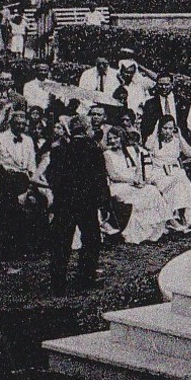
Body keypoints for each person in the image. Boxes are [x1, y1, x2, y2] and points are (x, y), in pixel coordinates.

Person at [43, 117, 110, 295]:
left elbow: (51, 176)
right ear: (87, 130)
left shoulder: (59, 150)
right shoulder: (94, 150)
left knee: (61, 242)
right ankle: (85, 277)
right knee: (91, 240)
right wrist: (103, 203)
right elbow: (100, 180)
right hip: (86, 204)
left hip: (64, 203)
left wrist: (60, 194)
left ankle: (58, 282)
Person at [102, 128, 172, 244]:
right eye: (110, 139)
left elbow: (138, 170)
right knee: (144, 194)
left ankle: (152, 230)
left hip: (132, 183)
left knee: (152, 190)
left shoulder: (130, 151)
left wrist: (140, 181)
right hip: (118, 186)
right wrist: (131, 181)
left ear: (122, 138)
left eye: (116, 137)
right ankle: (135, 233)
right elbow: (113, 176)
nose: (113, 141)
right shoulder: (107, 154)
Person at [148, 116, 191, 233]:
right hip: (159, 172)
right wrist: (155, 130)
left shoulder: (176, 140)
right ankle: (172, 219)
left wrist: (180, 136)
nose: (168, 131)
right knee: (177, 181)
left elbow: (189, 153)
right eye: (165, 128)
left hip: (174, 171)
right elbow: (147, 146)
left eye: (171, 128)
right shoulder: (154, 140)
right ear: (160, 128)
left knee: (183, 181)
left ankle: (186, 217)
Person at [139, 73, 183, 141]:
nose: (163, 87)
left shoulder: (181, 101)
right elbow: (145, 127)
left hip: (178, 141)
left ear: (172, 84)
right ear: (156, 85)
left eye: (166, 84)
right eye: (161, 84)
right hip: (158, 142)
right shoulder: (150, 103)